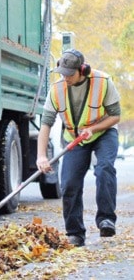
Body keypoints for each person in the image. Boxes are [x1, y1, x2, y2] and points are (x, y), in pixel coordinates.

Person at [36, 49, 120, 247]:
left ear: (83, 70)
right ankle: (75, 233)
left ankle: (106, 219)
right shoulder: (56, 89)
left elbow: (115, 115)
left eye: (69, 74)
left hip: (104, 133)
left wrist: (94, 128)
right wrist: (41, 156)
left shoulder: (103, 82)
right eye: (62, 73)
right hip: (75, 138)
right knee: (69, 183)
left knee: (104, 168)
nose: (65, 78)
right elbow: (46, 124)